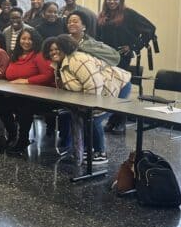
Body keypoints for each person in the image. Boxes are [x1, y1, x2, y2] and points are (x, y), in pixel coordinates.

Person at [43, 34, 131, 165]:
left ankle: (101, 153)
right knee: (84, 117)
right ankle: (86, 150)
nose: (53, 52)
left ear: (65, 48)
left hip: (118, 85)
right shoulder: (58, 64)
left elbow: (94, 84)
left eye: (57, 48)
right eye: (50, 50)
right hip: (99, 90)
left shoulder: (77, 60)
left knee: (93, 119)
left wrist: (89, 108)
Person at [97, 0, 156, 131]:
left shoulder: (128, 14)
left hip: (121, 58)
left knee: (121, 87)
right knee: (109, 87)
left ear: (120, 0)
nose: (112, 2)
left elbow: (150, 28)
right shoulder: (103, 15)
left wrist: (133, 46)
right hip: (105, 57)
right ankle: (111, 119)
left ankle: (120, 121)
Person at [4, 29, 55, 155]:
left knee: (24, 107)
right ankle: (12, 133)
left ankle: (23, 140)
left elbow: (49, 75)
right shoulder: (15, 55)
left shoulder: (39, 55)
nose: (26, 42)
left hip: (40, 97)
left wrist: (26, 80)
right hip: (17, 93)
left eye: (29, 39)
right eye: (23, 38)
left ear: (35, 40)